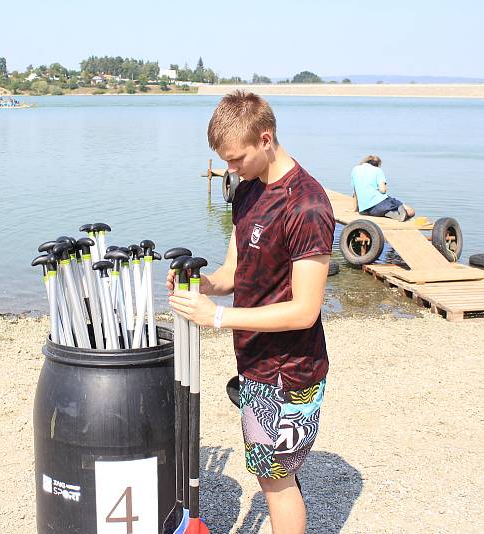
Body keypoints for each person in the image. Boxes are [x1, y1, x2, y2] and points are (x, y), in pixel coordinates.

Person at [168, 91, 334, 534]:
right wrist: (203, 288)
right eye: (225, 160)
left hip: (292, 370)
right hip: (256, 363)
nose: (230, 169)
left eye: (237, 159)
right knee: (271, 474)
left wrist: (218, 318)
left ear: (266, 138)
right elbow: (232, 272)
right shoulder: (246, 191)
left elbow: (304, 311)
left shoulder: (308, 205)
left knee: (276, 481)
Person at [351, 155, 415, 221]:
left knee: (384, 208)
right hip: (380, 205)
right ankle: (396, 212)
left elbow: (355, 192)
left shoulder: (355, 169)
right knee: (411, 211)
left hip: (364, 211)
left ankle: (392, 213)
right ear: (378, 164)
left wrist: (355, 209)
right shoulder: (377, 170)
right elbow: (383, 190)